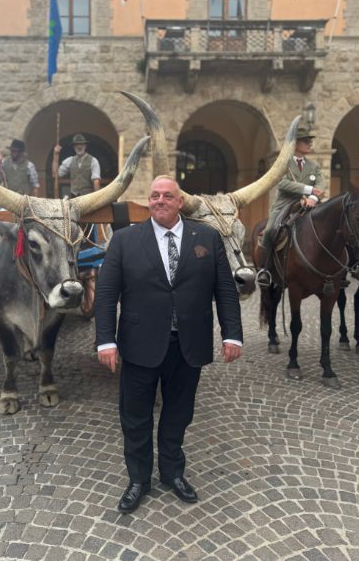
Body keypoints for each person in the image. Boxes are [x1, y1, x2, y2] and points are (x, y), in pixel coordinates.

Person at [94, 175, 243, 514]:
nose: (160, 201)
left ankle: (173, 473)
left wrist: (231, 333)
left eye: (167, 196)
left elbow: (225, 290)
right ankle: (138, 480)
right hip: (139, 344)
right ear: (150, 202)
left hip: (188, 345)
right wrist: (105, 340)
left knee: (178, 413)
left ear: (180, 202)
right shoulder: (124, 240)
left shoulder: (206, 237)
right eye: (154, 196)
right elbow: (105, 295)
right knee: (135, 417)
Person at [257, 125, 326, 287]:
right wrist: (308, 189)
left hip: (309, 204)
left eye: (310, 141)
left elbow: (321, 184)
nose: (310, 143)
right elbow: (282, 183)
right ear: (295, 144)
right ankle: (265, 269)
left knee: (332, 226)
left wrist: (314, 198)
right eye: (306, 141)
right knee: (269, 230)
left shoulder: (313, 166)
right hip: (285, 205)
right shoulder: (284, 164)